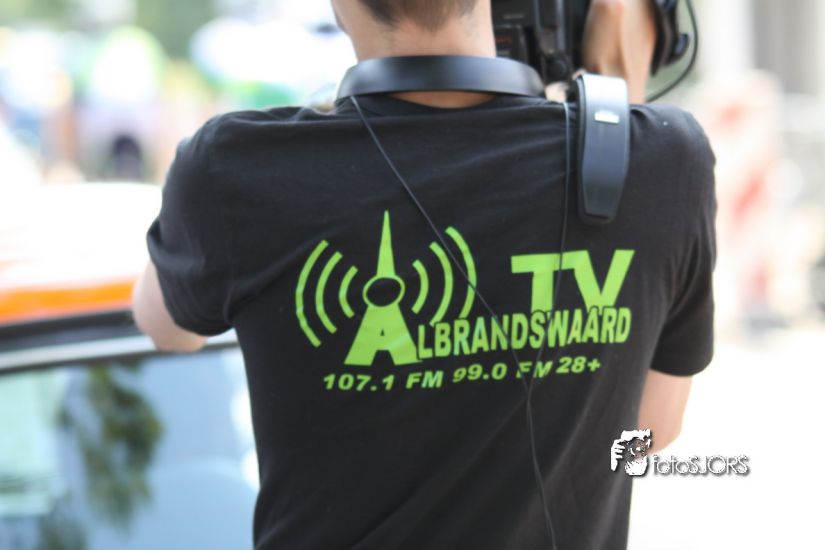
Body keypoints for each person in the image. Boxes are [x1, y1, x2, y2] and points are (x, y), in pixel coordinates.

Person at [132, 0, 717, 548]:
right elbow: (648, 432)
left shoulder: (235, 171)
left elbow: (166, 328)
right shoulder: (664, 163)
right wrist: (621, 104)